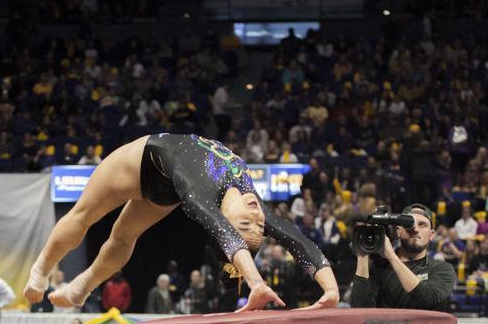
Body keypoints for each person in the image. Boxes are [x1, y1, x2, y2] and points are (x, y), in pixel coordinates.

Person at [24, 134, 339, 313]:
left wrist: (330, 293)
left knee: (122, 238)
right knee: (84, 216)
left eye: (249, 226)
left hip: (169, 185)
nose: (258, 221)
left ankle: (80, 288)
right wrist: (329, 287)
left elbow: (229, 236)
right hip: (138, 161)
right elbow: (297, 240)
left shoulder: (201, 197)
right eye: (258, 226)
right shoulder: (251, 205)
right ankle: (40, 269)